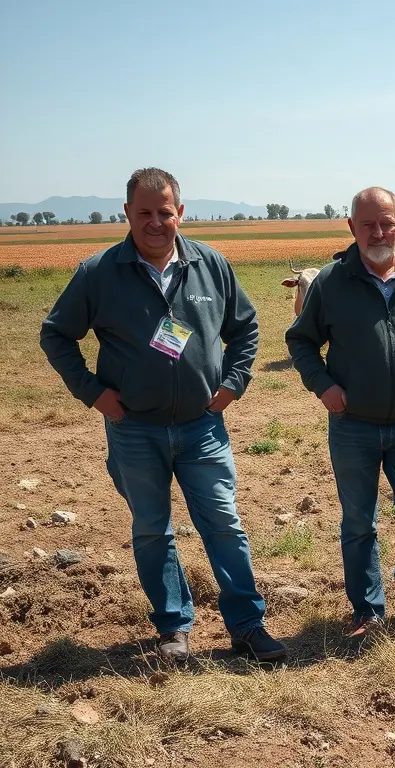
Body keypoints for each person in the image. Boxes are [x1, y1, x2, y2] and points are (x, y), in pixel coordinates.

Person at [40, 167, 285, 664]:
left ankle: (247, 626)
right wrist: (94, 393)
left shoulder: (209, 264)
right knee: (153, 529)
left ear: (181, 213)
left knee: (223, 523)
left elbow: (247, 327)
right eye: (144, 213)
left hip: (202, 427)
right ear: (127, 213)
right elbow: (55, 335)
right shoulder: (99, 272)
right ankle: (174, 628)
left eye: (165, 212)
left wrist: (234, 382)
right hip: (135, 430)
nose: (155, 222)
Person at [285, 186, 395, 637]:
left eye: (387, 223)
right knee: (359, 521)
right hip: (353, 426)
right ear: (352, 228)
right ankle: (367, 609)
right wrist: (324, 386)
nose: (379, 232)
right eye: (368, 224)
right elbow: (301, 341)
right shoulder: (330, 282)